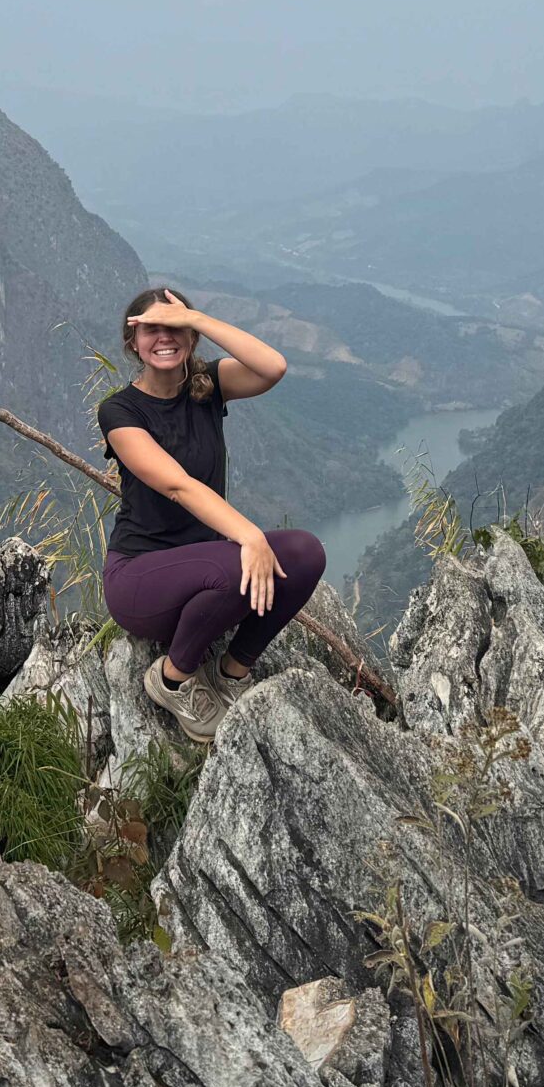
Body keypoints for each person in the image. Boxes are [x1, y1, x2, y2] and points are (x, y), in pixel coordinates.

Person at [97, 287, 326, 745]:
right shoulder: (120, 412)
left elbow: (273, 366)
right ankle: (173, 679)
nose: (165, 338)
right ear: (132, 342)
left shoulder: (209, 386)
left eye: (175, 328)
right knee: (239, 560)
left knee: (305, 554)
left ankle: (231, 672)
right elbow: (178, 485)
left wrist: (197, 318)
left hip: (207, 569)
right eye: (151, 329)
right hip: (140, 581)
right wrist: (249, 536)